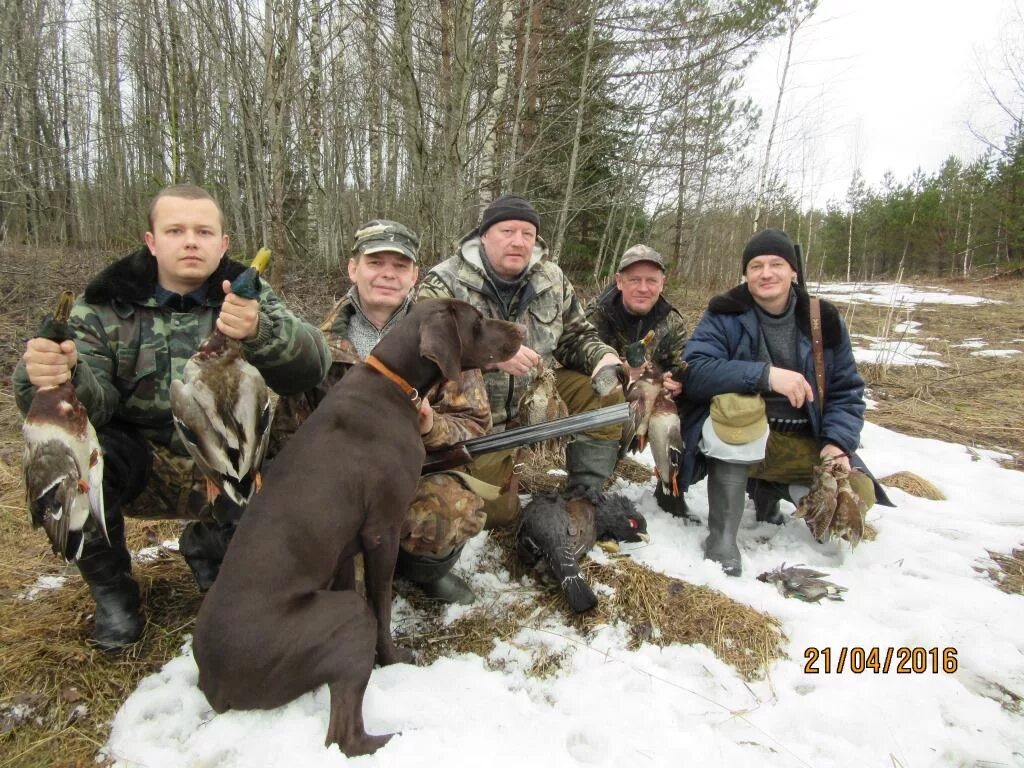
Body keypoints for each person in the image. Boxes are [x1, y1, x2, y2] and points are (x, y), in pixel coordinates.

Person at [14, 184, 331, 649]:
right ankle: (114, 593)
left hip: (229, 468)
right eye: (176, 230)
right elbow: (90, 405)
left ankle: (217, 549)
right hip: (146, 465)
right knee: (69, 461)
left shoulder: (250, 297)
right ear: (151, 241)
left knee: (291, 450)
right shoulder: (104, 307)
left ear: (223, 243)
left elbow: (312, 366)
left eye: (204, 231)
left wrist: (262, 332)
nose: (190, 241)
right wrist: (56, 373)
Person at [269, 220, 498, 605]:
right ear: (353, 268)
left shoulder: (448, 335)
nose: (388, 274)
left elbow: (476, 425)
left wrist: (431, 425)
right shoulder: (317, 344)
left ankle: (423, 571)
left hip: (412, 477)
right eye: (376, 262)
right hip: (337, 492)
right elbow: (288, 438)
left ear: (414, 276)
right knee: (348, 600)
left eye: (400, 265)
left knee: (448, 510)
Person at [679, 228, 892, 577]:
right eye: (756, 265)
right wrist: (766, 375)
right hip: (741, 439)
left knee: (858, 493)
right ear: (745, 274)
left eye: (776, 264)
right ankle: (721, 538)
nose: (766, 273)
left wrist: (837, 443)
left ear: (793, 271)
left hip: (801, 440)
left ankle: (771, 490)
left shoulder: (824, 319)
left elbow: (847, 391)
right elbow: (695, 371)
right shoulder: (724, 312)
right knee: (740, 409)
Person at [416, 195, 623, 526]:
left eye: (527, 234)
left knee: (604, 391)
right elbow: (426, 353)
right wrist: (492, 358)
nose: (518, 241)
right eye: (507, 231)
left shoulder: (552, 278)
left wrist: (603, 357)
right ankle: (502, 472)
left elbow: (575, 336)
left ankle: (584, 494)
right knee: (497, 514)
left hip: (538, 397)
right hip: (477, 420)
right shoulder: (445, 280)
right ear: (483, 235)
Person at [585, 244, 690, 517]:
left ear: (662, 283)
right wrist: (619, 371)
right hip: (608, 391)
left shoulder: (671, 322)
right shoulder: (597, 314)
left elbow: (680, 364)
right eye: (635, 280)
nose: (643, 288)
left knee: (671, 418)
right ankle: (591, 483)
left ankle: (671, 486)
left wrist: (675, 381)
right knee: (608, 400)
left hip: (651, 396)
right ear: (619, 281)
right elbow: (577, 358)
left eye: (651, 280)